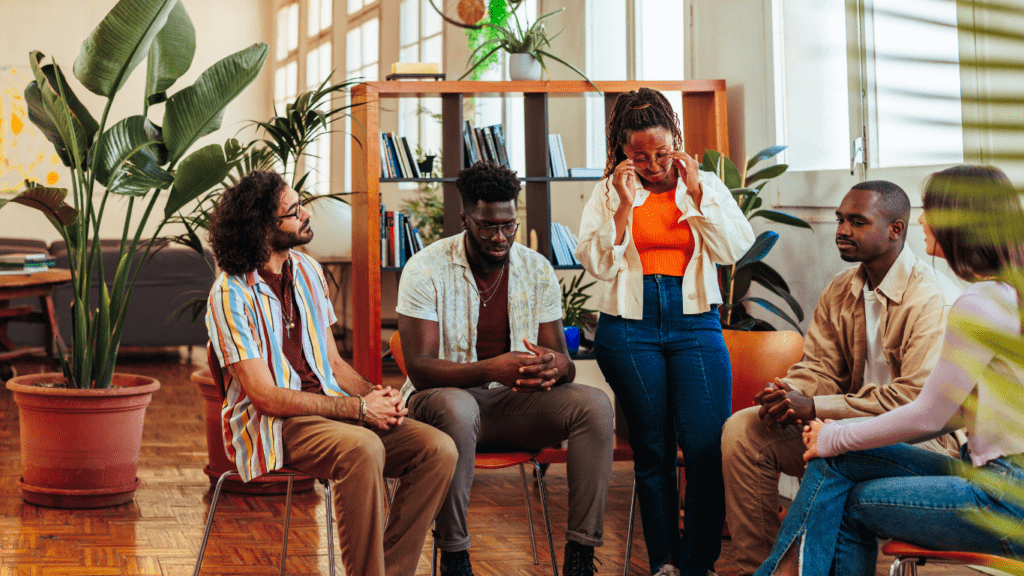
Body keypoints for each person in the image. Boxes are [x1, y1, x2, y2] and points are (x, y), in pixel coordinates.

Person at [754, 164, 1024, 575]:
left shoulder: (979, 304)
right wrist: (837, 442)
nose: (923, 220)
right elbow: (949, 413)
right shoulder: (1008, 294)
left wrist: (836, 435)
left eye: (931, 210)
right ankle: (783, 571)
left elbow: (927, 414)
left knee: (852, 497)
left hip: (1003, 500)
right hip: (991, 475)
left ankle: (782, 571)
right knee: (837, 462)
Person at [205, 170, 458, 576]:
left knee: (438, 449)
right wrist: (359, 409)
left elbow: (334, 365)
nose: (306, 215)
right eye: (294, 211)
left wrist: (377, 396)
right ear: (263, 228)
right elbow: (265, 397)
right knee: (363, 449)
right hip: (276, 424)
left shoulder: (307, 271)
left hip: (332, 412)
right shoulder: (230, 294)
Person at [721, 179, 964, 575]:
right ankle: (757, 566)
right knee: (745, 430)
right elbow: (818, 367)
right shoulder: (840, 289)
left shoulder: (931, 298)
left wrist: (816, 406)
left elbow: (917, 403)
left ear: (895, 230)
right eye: (839, 220)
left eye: (857, 221)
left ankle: (784, 569)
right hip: (842, 429)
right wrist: (789, 392)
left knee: (835, 454)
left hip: (921, 444)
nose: (842, 230)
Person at [396, 160, 614, 576]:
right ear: (464, 219)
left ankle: (581, 557)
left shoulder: (535, 268)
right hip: (439, 410)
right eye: (487, 226)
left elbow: (560, 360)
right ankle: (455, 558)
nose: (500, 238)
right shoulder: (425, 268)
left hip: (510, 408)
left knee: (596, 406)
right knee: (459, 408)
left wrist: (555, 368)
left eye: (509, 225)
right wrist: (492, 368)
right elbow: (421, 370)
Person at [575, 87, 755, 576]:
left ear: (676, 139)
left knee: (703, 448)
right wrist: (621, 210)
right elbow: (594, 263)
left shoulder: (705, 183)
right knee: (653, 450)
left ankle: (698, 565)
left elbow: (734, 247)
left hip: (694, 322)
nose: (653, 165)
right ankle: (663, 564)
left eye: (660, 153)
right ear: (622, 151)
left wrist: (698, 198)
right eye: (640, 156)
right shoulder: (610, 189)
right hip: (629, 330)